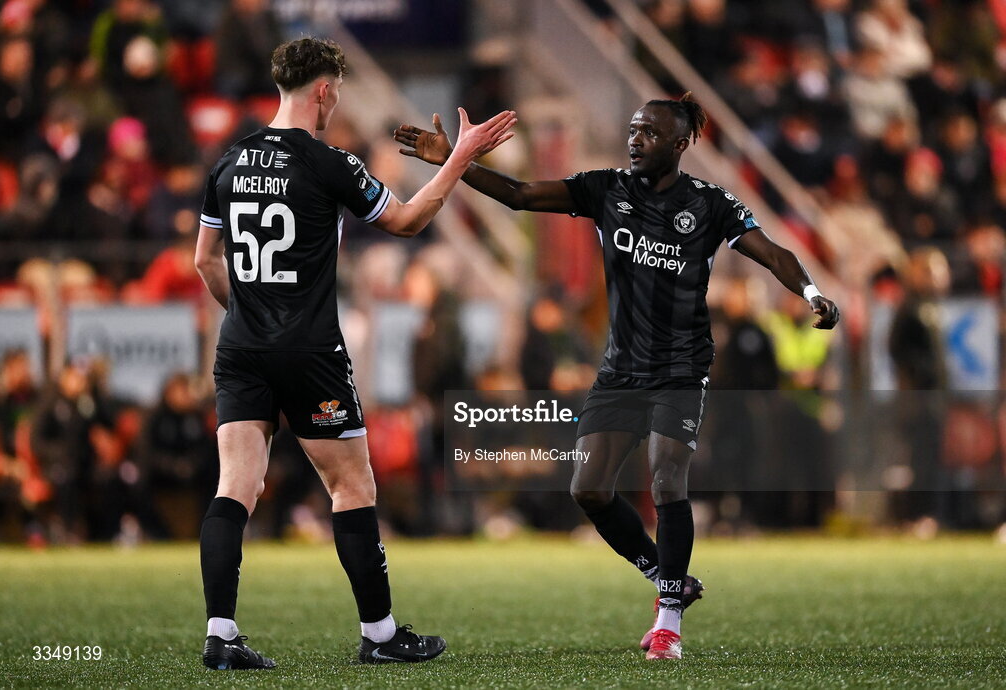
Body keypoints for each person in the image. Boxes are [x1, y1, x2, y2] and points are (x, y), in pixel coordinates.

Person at [394, 92, 839, 660]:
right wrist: (453, 161)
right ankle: (665, 574)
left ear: (679, 145)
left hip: (681, 366)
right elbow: (521, 195)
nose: (635, 140)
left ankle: (669, 623)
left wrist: (812, 292)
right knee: (589, 488)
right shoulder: (607, 189)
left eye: (649, 133)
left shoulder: (709, 204)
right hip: (621, 367)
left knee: (665, 479)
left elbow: (774, 253)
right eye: (632, 129)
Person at [195, 37, 515, 670]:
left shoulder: (228, 162)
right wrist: (459, 158)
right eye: (335, 91)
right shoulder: (327, 161)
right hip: (310, 350)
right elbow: (407, 220)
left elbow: (205, 260)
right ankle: (379, 633)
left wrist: (249, 316)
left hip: (242, 348)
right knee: (352, 484)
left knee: (237, 485)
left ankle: (221, 634)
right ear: (322, 90)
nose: (336, 101)